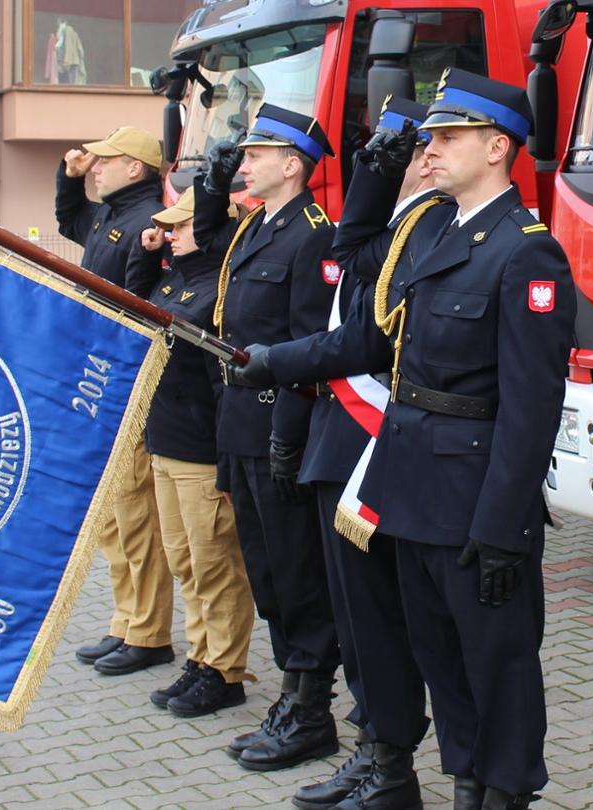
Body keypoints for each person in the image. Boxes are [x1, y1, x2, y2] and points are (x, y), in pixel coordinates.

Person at [233, 71, 574, 810]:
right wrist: (270, 360)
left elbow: (531, 407)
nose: (431, 147)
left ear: (495, 147)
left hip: (473, 493)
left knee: (496, 665)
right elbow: (367, 337)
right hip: (409, 483)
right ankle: (464, 786)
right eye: (432, 136)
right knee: (441, 661)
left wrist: (505, 526)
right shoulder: (436, 234)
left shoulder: (525, 253)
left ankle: (504, 792)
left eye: (448, 137)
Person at [290, 97, 444, 810]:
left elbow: (348, 253)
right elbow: (350, 252)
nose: (385, 162)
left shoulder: (429, 227)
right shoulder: (396, 222)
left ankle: (391, 768)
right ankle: (373, 751)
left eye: (399, 148)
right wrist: (374, 172)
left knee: (380, 623)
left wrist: (374, 178)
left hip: (375, 442)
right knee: (357, 623)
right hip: (339, 436)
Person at [192, 103, 344, 772]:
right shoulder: (257, 225)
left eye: (256, 154)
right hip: (240, 427)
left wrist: (288, 435)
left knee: (296, 573)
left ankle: (311, 711)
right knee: (267, 572)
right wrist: (209, 182)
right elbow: (205, 238)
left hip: (277, 426)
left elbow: (310, 347)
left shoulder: (313, 234)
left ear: (293, 165)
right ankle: (291, 696)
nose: (244, 162)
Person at [57, 125, 175, 676]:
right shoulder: (109, 216)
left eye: (107, 161)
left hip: (127, 385)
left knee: (135, 514)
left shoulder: (147, 222)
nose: (95, 169)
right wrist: (70, 175)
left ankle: (149, 632)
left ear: (136, 169)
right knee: (112, 518)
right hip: (99, 381)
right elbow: (68, 219)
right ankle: (126, 620)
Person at [135, 189, 257, 719]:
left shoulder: (216, 291)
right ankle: (200, 656)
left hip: (201, 451)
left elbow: (222, 384)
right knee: (185, 562)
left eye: (180, 226)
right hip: (165, 442)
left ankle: (225, 670)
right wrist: (145, 254)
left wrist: (226, 458)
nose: (170, 234)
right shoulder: (174, 278)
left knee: (215, 565)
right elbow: (132, 309)